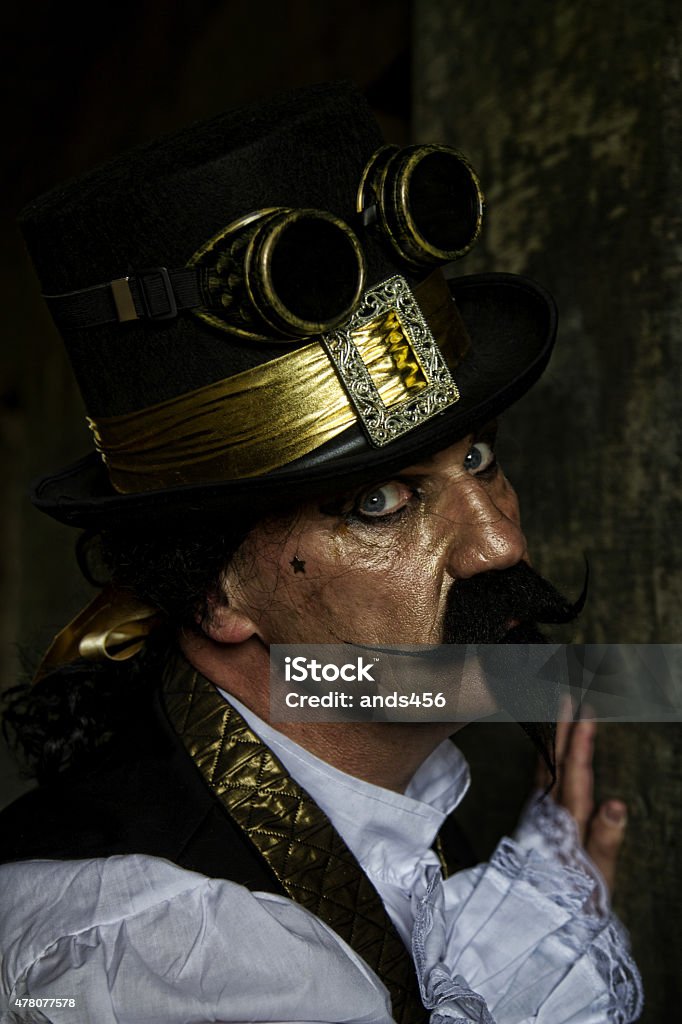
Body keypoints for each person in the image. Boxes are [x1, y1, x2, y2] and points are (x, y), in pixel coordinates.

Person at [0, 81, 643, 1023]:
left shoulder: (373, 777)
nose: (501, 544)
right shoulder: (178, 959)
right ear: (220, 595)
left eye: (478, 458)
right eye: (380, 503)